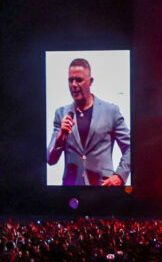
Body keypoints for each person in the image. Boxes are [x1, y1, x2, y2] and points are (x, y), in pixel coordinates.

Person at [47, 58, 131, 186]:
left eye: (79, 80)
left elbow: (131, 147)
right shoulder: (61, 114)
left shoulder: (111, 111)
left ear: (90, 81)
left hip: (103, 188)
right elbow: (50, 159)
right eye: (70, 80)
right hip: (72, 190)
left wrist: (120, 175)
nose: (74, 85)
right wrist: (60, 137)